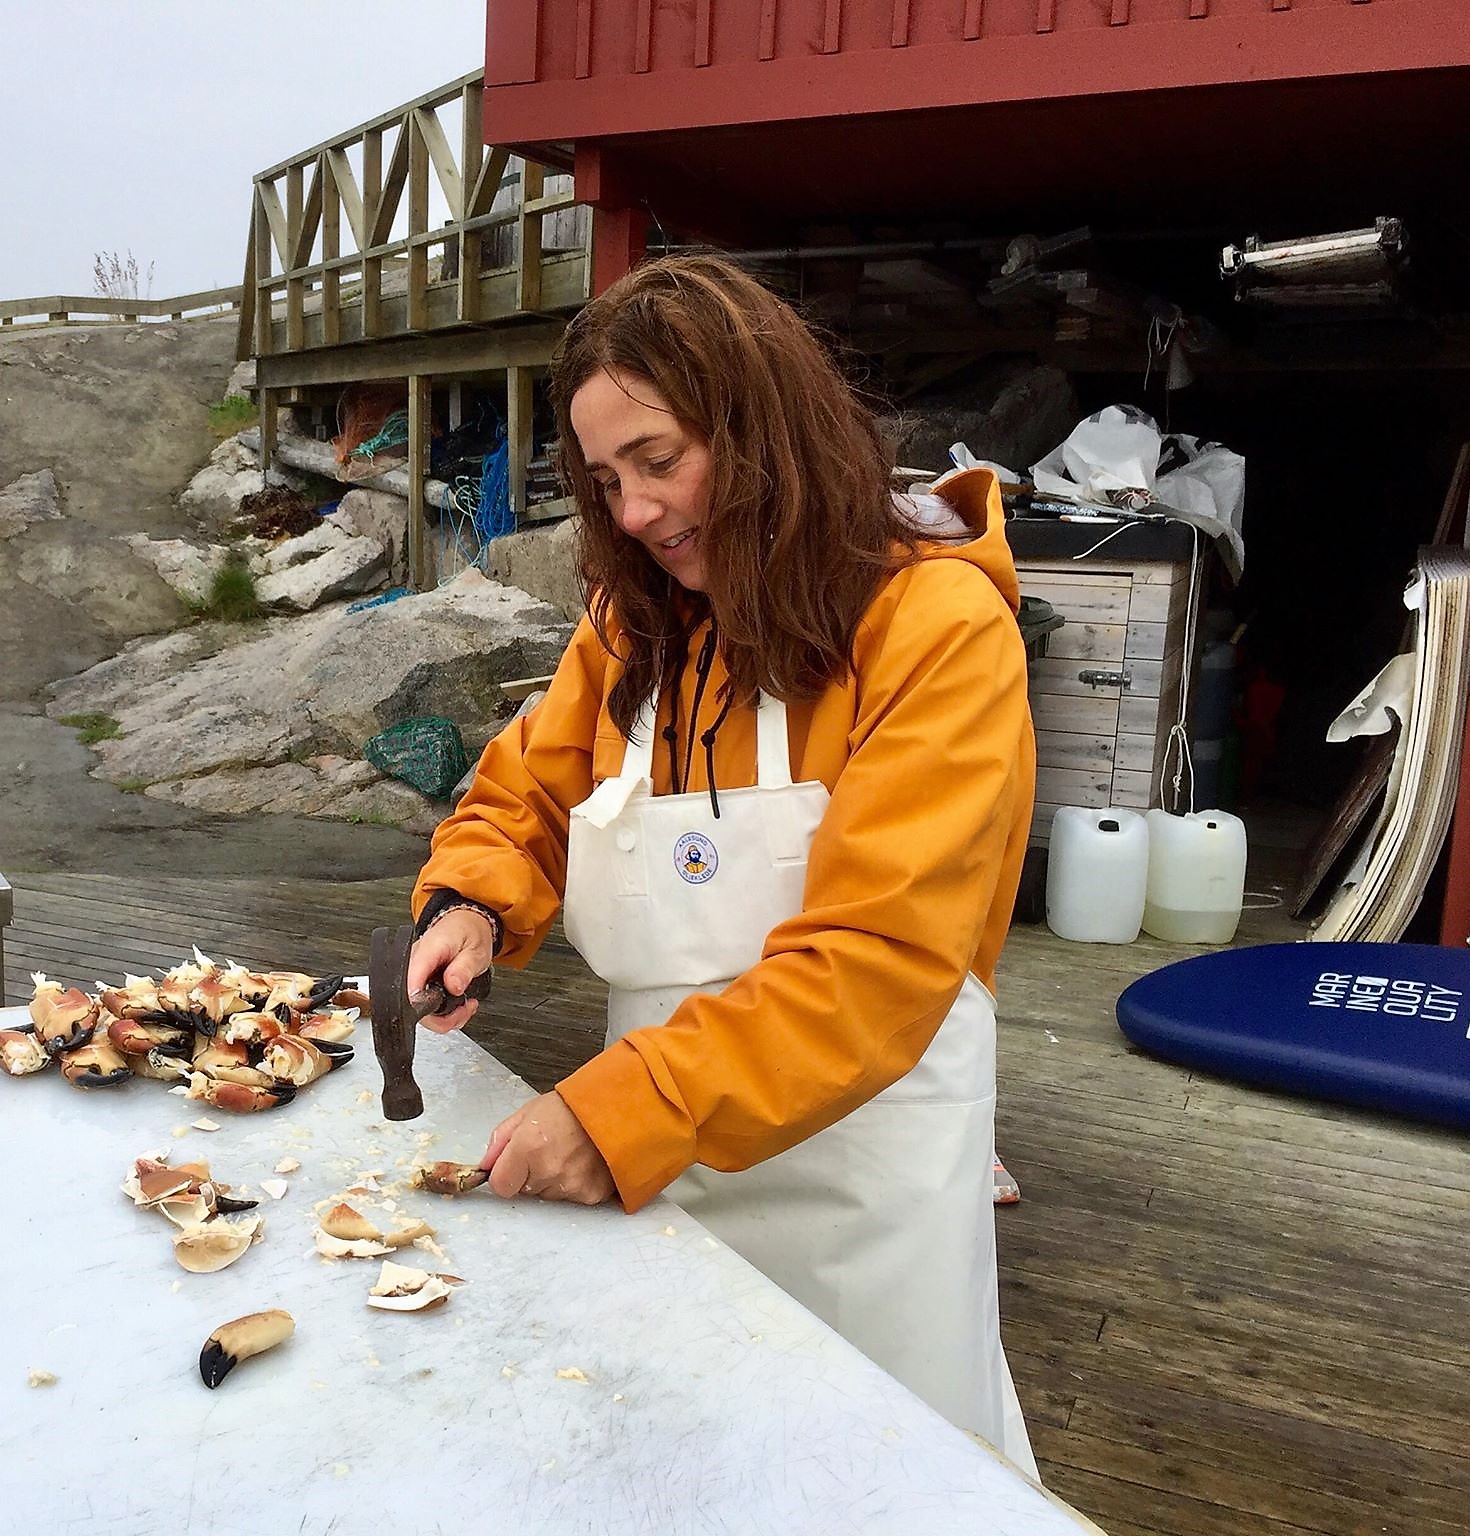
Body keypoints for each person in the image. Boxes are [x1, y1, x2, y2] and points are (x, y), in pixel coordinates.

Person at [403, 255, 1038, 1472]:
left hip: (868, 1176)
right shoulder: (631, 622)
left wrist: (624, 1112)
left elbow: (878, 960)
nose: (634, 512)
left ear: (766, 429)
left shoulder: (937, 628)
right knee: (681, 1461)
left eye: (660, 459)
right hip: (650, 1155)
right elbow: (528, 789)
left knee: (872, 1472)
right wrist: (470, 901)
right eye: (604, 481)